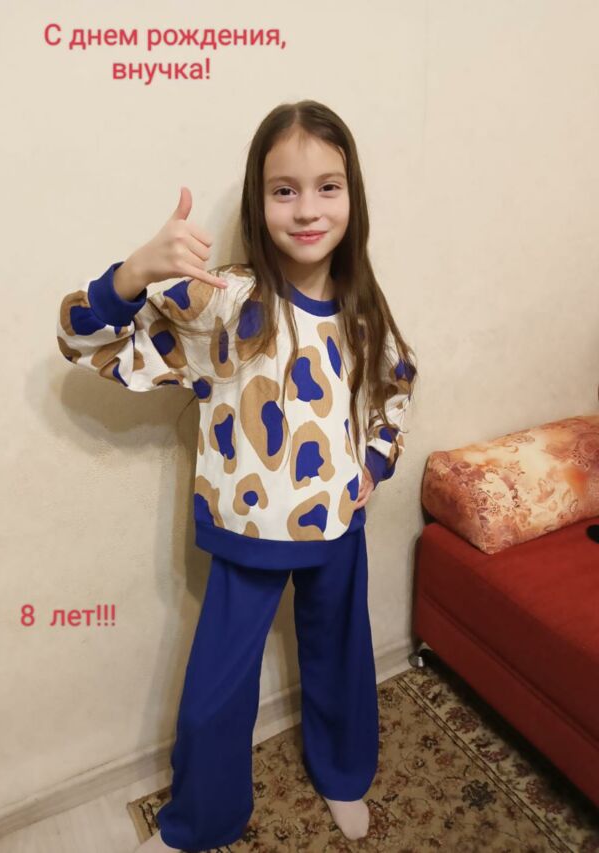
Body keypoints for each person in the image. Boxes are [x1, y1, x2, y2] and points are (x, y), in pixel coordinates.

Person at [56, 99, 418, 852]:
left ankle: (344, 772)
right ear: (258, 199)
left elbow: (395, 389)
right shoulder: (223, 301)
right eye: (285, 189)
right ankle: (201, 819)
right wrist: (133, 273)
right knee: (217, 692)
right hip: (249, 531)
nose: (307, 209)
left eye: (327, 186)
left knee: (341, 658)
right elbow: (84, 343)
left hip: (337, 525)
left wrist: (373, 466)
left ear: (352, 196)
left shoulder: (363, 309)